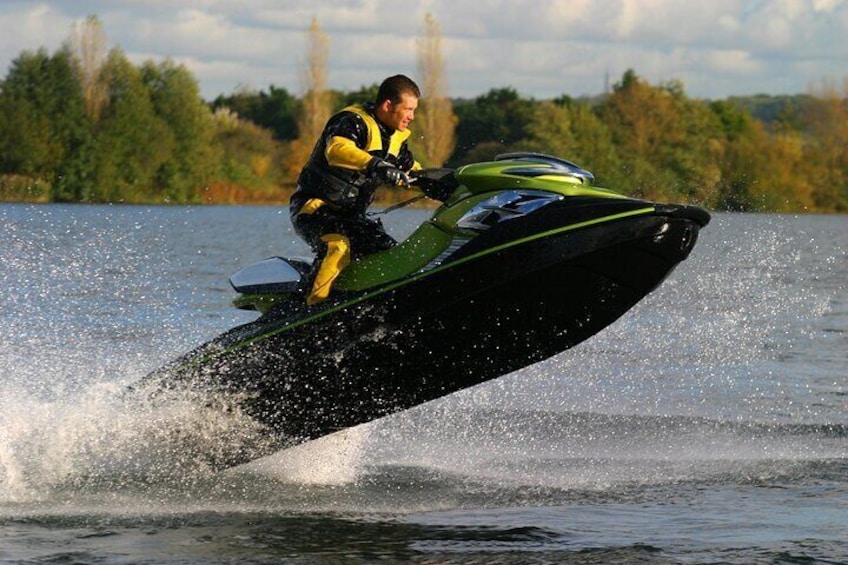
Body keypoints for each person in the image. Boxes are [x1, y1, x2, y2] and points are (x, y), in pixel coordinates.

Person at [290, 74, 422, 305]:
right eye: (408, 109)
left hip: (353, 218)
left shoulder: (397, 139)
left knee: (393, 258)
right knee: (338, 246)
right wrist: (375, 165)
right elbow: (337, 150)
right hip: (315, 208)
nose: (412, 116)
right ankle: (311, 309)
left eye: (414, 110)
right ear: (388, 105)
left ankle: (374, 305)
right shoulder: (352, 121)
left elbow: (413, 172)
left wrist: (447, 184)